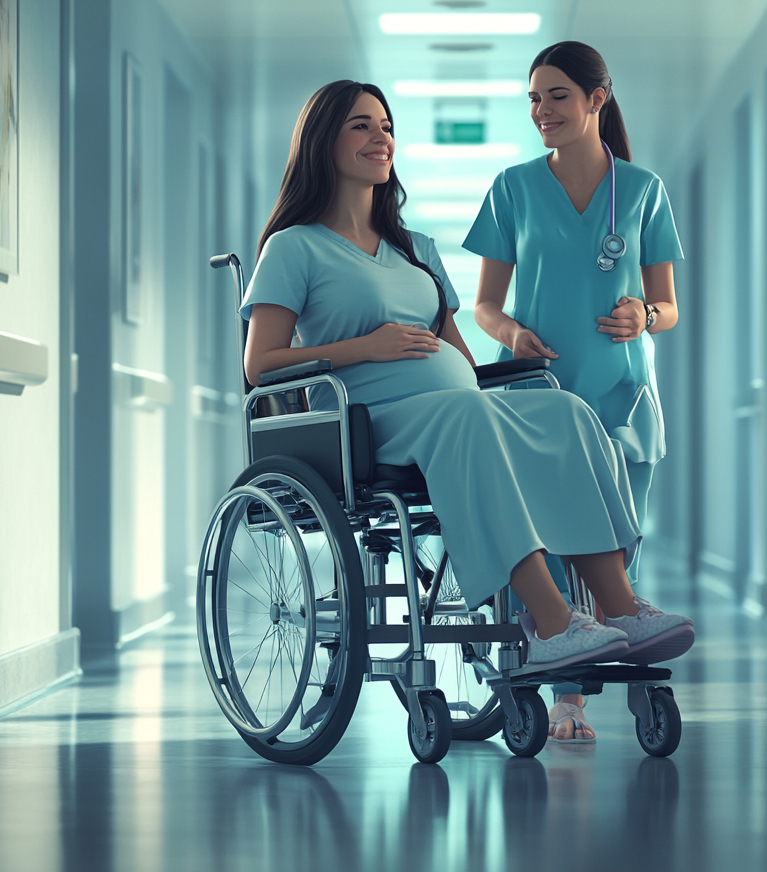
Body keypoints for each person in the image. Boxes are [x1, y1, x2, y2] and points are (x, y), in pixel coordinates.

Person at [241, 78, 679, 674]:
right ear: (323, 142)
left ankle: (619, 607)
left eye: (387, 126)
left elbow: (456, 351)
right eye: (361, 126)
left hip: (454, 403)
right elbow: (259, 365)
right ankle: (549, 624)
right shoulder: (295, 248)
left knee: (565, 412)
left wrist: (488, 385)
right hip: (370, 421)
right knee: (467, 415)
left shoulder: (415, 247)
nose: (381, 137)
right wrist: (366, 347)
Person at [463, 41, 694, 741]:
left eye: (557, 95)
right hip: (538, 391)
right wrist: (511, 332)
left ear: (597, 98)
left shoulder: (645, 190)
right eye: (534, 98)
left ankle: (623, 642)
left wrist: (643, 317)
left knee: (617, 541)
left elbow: (669, 306)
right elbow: (483, 306)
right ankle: (569, 696)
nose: (542, 111)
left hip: (621, 392)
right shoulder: (512, 188)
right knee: (555, 544)